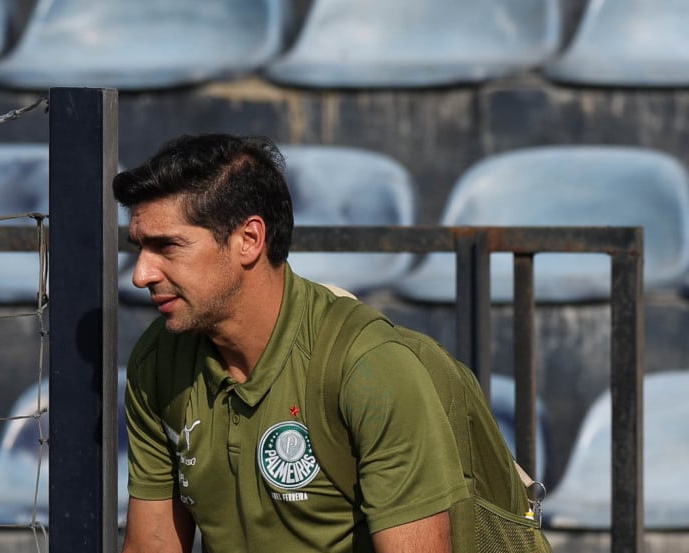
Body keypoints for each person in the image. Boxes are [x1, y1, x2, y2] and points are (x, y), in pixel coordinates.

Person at [113, 133, 541, 553]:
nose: (141, 273)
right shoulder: (158, 360)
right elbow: (152, 544)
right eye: (140, 248)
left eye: (167, 246)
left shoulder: (369, 368)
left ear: (249, 240)